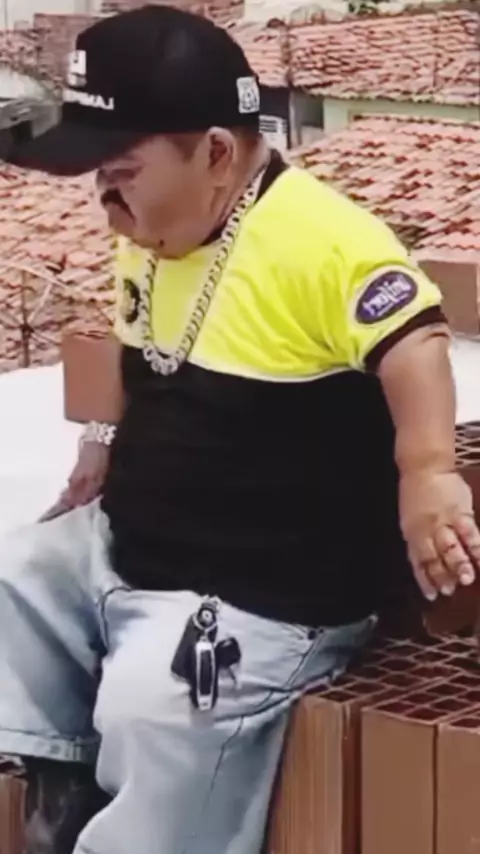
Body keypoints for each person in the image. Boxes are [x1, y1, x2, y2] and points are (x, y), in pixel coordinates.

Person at [1, 6, 480, 854]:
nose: (104, 195)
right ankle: (62, 776)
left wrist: (429, 471)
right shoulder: (153, 229)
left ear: (217, 153)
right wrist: (101, 441)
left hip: (258, 591)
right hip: (135, 541)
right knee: (16, 576)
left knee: (158, 706)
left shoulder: (323, 243)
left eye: (121, 170)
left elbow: (415, 342)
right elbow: (134, 342)